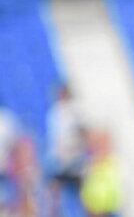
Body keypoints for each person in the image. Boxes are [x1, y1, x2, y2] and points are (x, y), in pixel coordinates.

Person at [46, 83, 88, 217]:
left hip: (73, 158)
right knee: (54, 188)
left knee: (83, 191)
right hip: (60, 158)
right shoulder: (55, 112)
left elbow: (82, 131)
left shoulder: (74, 109)